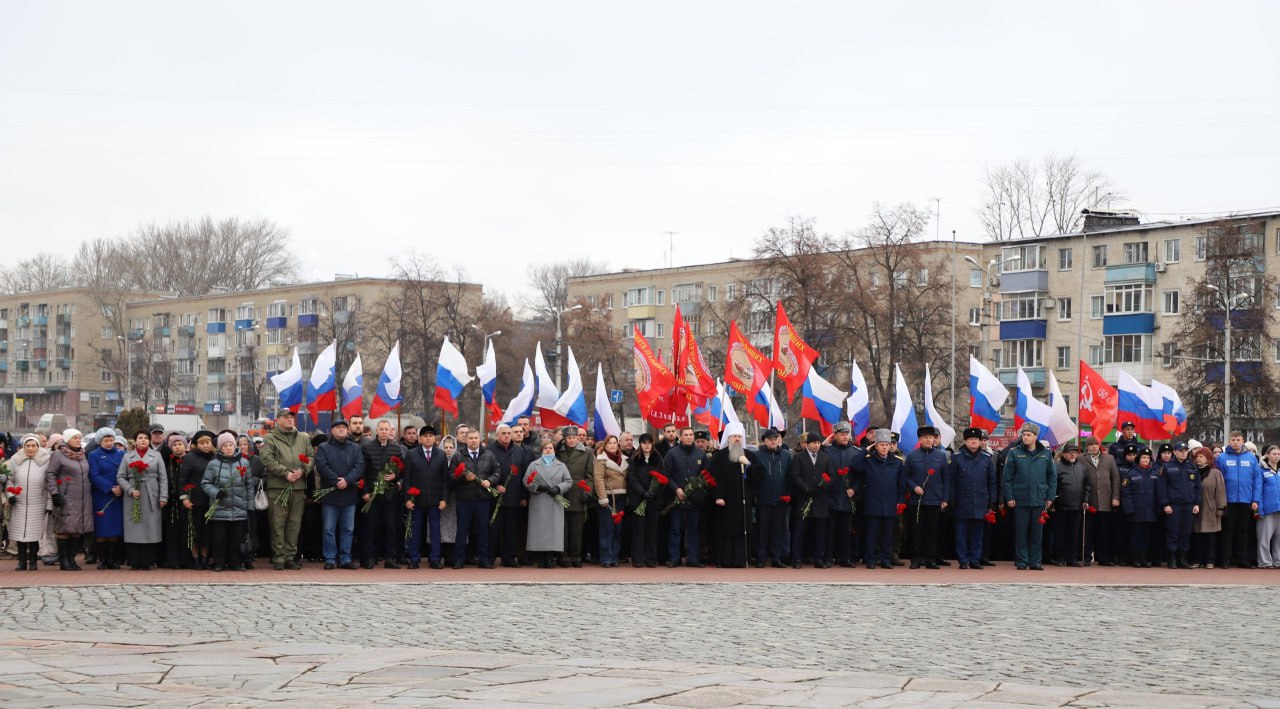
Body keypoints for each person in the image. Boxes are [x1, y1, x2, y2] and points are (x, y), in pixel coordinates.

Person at [260, 409, 315, 571]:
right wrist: (285, 473)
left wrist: (303, 470)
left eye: (292, 417)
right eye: (286, 417)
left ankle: (290, 557)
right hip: (278, 486)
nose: (290, 419)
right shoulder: (270, 438)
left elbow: (311, 457)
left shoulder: (303, 438)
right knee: (277, 522)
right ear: (278, 420)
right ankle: (279, 557)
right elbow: (266, 458)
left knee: (294, 524)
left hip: (298, 487)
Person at [1002, 423, 1056, 571]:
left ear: (1035, 436)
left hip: (1039, 498)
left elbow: (1052, 477)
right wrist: (1009, 497)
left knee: (1037, 533)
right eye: (1024, 435)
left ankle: (1035, 561)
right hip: (1020, 498)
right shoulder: (1014, 453)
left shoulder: (1045, 454)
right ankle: (1021, 561)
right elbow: (1007, 478)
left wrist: (1050, 497)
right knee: (1021, 532)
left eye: (1028, 435)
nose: (1025, 437)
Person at [314, 419, 363, 570]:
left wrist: (347, 480)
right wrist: (336, 481)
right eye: (338, 427)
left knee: (348, 529)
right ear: (332, 431)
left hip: (349, 494)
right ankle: (330, 558)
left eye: (344, 427)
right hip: (331, 495)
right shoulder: (323, 448)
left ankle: (345, 558)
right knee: (329, 529)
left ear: (348, 431)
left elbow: (359, 467)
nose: (341, 429)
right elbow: (322, 466)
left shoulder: (355, 448)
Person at [116, 430, 169, 570]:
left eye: (146, 438)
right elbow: (120, 476)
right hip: (134, 495)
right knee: (134, 526)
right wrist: (130, 489)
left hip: (152, 494)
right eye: (140, 438)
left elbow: (163, 478)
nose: (143, 440)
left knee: (151, 526)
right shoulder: (127, 456)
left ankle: (147, 561)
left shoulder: (156, 456)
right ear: (135, 441)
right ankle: (134, 561)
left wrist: (163, 496)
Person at [198, 433, 251, 571]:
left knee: (236, 538)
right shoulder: (213, 464)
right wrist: (216, 492)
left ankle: (235, 562)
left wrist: (250, 506)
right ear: (220, 448)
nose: (228, 448)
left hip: (239, 508)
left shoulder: (244, 463)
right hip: (219, 509)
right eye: (225, 446)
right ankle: (219, 562)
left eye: (231, 445)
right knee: (219, 539)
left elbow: (249, 485)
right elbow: (205, 483)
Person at [708, 423, 758, 568]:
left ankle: (741, 560)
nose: (737, 439)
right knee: (725, 529)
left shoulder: (749, 455)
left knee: (742, 529)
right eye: (734, 436)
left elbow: (759, 476)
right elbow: (712, 478)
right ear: (728, 438)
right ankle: (724, 560)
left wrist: (748, 464)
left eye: (739, 437)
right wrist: (717, 496)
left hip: (743, 499)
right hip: (725, 500)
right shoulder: (719, 457)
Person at [448, 429, 499, 569]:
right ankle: (459, 560)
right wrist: (463, 478)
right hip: (464, 499)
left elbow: (497, 472)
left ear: (480, 439)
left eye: (476, 438)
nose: (473, 440)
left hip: (483, 499)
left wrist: (490, 481)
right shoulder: (458, 456)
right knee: (462, 530)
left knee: (483, 531)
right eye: (470, 438)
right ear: (465, 440)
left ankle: (483, 559)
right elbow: (451, 475)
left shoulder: (489, 455)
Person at [946, 428, 996, 570]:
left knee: (977, 533)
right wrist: (951, 500)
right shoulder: (957, 458)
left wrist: (992, 501)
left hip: (980, 501)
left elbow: (992, 481)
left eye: (976, 439)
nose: (974, 441)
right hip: (961, 501)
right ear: (965, 441)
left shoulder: (986, 458)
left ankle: (975, 559)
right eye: (970, 439)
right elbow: (951, 481)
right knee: (961, 533)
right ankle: (963, 559)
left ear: (980, 442)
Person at [360, 420, 407, 569]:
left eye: (387, 429)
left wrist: (395, 476)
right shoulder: (367, 448)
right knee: (370, 528)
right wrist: (365, 492)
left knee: (391, 527)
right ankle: (369, 558)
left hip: (390, 495)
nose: (384, 432)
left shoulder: (396, 448)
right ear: (377, 430)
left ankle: (390, 558)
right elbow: (362, 472)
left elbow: (402, 469)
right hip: (372, 494)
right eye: (382, 429)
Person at [46, 428, 93, 571]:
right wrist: (55, 493)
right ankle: (64, 560)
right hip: (66, 496)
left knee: (78, 528)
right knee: (65, 528)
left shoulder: (82, 454)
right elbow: (51, 474)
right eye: (75, 438)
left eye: (79, 437)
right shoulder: (58, 454)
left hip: (83, 498)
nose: (78, 440)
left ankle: (72, 558)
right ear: (67, 440)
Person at [904, 425, 948, 569]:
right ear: (920, 440)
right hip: (916, 500)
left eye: (931, 437)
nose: (929, 440)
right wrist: (914, 487)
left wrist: (945, 498)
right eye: (926, 437)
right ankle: (916, 559)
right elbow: (906, 476)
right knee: (917, 531)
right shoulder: (912, 456)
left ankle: (930, 559)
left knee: (932, 531)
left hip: (934, 499)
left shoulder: (941, 456)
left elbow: (946, 478)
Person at [861, 429, 906, 569]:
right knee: (872, 535)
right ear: (876, 446)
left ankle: (886, 560)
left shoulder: (897, 462)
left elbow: (901, 484)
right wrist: (866, 450)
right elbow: (854, 465)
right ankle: (871, 559)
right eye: (881, 445)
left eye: (887, 445)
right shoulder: (868, 460)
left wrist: (900, 501)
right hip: (873, 502)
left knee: (888, 535)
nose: (885, 447)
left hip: (890, 503)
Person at [489, 424, 532, 568]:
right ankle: (490, 557)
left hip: (514, 497)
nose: (507, 435)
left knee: (511, 530)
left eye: (508, 433)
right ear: (497, 435)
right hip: (495, 497)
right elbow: (486, 471)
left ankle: (509, 558)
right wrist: (495, 485)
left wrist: (524, 496)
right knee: (494, 529)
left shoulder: (519, 451)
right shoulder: (490, 450)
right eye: (504, 433)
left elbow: (524, 474)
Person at [524, 438, 572, 568]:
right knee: (540, 531)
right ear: (542, 450)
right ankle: (541, 559)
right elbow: (526, 481)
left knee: (553, 531)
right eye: (545, 448)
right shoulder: (534, 465)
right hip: (539, 501)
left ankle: (550, 558)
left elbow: (568, 481)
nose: (548, 450)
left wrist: (558, 488)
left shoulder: (561, 465)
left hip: (555, 502)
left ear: (554, 450)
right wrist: (539, 487)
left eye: (550, 448)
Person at [663, 427, 707, 568]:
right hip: (677, 498)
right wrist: (676, 489)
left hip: (694, 499)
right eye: (686, 435)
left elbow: (706, 475)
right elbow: (666, 475)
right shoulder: (672, 454)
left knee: (693, 529)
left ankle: (692, 558)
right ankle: (674, 558)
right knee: (675, 529)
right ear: (680, 437)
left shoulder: (701, 454)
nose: (689, 437)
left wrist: (698, 490)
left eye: (691, 434)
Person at [788, 432, 833, 568]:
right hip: (804, 499)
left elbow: (832, 476)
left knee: (820, 532)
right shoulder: (799, 458)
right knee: (800, 531)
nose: (816, 445)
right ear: (807, 444)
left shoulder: (826, 458)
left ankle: (819, 558)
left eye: (818, 443)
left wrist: (822, 488)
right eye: (814, 443)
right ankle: (796, 558)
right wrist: (807, 489)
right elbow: (795, 476)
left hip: (820, 500)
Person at [404, 426, 448, 569]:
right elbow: (407, 478)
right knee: (416, 530)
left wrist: (444, 499)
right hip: (416, 500)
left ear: (435, 439)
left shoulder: (441, 455)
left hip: (435, 500)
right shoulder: (411, 454)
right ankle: (414, 558)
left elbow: (445, 480)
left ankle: (435, 558)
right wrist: (408, 498)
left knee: (435, 530)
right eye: (425, 436)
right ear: (420, 438)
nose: (428, 438)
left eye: (431, 436)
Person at [1216, 432, 1261, 568]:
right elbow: (1218, 479)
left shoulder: (1251, 458)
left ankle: (1242, 559)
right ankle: (1225, 559)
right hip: (1228, 500)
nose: (1235, 442)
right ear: (1229, 441)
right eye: (1233, 440)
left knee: (1243, 531)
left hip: (1245, 499)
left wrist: (1255, 499)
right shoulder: (1222, 458)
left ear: (1243, 441)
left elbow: (1257, 480)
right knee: (1227, 530)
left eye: (1238, 440)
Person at [6, 434, 50, 571]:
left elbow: (50, 482)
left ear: (38, 446)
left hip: (38, 501)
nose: (30, 448)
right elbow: (9, 480)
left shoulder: (46, 460)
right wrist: (10, 495)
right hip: (19, 502)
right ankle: (21, 561)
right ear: (23, 447)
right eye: (28, 446)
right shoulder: (15, 460)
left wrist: (49, 503)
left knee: (34, 534)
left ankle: (33, 561)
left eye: (33, 446)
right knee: (19, 533)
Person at [750, 428, 792, 568]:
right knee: (762, 530)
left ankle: (776, 557)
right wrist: (756, 496)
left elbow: (789, 476)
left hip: (781, 499)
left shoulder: (786, 455)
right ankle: (761, 557)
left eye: (775, 439)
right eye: (770, 439)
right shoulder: (757, 455)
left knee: (778, 530)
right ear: (765, 441)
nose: (773, 442)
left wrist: (788, 494)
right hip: (763, 498)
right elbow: (754, 478)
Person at [555, 426, 594, 568]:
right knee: (562, 528)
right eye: (568, 438)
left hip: (578, 494)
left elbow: (590, 476)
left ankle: (576, 556)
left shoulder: (587, 452)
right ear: (564, 439)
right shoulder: (558, 451)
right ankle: (563, 556)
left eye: (574, 437)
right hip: (561, 493)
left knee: (577, 529)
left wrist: (587, 493)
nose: (572, 440)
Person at [1158, 443, 1201, 569]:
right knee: (1173, 532)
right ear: (1175, 452)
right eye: (1180, 450)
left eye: (1185, 450)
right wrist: (1165, 504)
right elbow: (1162, 487)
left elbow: (1198, 487)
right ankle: (1172, 559)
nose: (1183, 453)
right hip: (1174, 505)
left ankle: (1183, 559)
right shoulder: (1167, 466)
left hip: (1188, 504)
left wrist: (1197, 503)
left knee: (1185, 533)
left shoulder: (1192, 466)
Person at [87, 428, 125, 569]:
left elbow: (126, 472)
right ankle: (102, 559)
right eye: (106, 440)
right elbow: (94, 475)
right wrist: (109, 488)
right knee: (102, 528)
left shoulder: (121, 454)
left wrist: (121, 487)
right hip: (102, 495)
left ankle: (111, 559)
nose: (109, 443)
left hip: (118, 495)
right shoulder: (94, 455)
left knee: (115, 528)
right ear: (99, 441)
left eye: (111, 440)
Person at [1081, 436, 1121, 566]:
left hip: (1105, 501)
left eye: (1096, 444)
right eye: (1091, 444)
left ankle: (1103, 558)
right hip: (1089, 501)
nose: (1094, 447)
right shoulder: (1081, 458)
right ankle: (1086, 557)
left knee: (1104, 532)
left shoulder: (1109, 458)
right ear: (1087, 446)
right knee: (1088, 532)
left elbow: (1115, 479)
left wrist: (1115, 497)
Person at [179, 431, 216, 569]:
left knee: (207, 532)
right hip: (194, 500)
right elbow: (182, 478)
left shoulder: (215, 457)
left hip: (210, 500)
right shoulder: (190, 457)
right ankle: (195, 558)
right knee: (194, 531)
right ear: (196, 444)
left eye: (208, 442)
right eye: (202, 443)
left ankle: (205, 558)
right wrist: (184, 498)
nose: (206, 445)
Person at [626, 433, 665, 568]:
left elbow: (662, 477)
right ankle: (638, 559)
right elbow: (632, 478)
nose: (647, 445)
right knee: (638, 531)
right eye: (644, 443)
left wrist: (654, 491)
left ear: (652, 443)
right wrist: (643, 492)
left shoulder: (658, 458)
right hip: (638, 500)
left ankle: (651, 558)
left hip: (654, 501)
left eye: (649, 442)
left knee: (652, 531)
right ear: (640, 444)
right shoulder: (635, 459)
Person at [592, 434, 628, 568]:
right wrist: (602, 497)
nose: (612, 445)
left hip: (621, 497)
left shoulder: (625, 460)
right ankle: (606, 558)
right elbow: (598, 479)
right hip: (607, 497)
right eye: (609, 443)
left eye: (614, 443)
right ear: (605, 445)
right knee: (607, 529)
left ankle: (615, 557)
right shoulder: (601, 460)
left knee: (618, 529)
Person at [1052, 442, 1090, 567]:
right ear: (1064, 454)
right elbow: (1053, 485)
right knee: (1060, 533)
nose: (1073, 454)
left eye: (1075, 452)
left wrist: (1086, 499)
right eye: (1070, 452)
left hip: (1077, 506)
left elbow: (1087, 485)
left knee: (1074, 534)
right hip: (1061, 506)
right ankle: (1060, 557)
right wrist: (1054, 500)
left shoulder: (1082, 467)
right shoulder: (1057, 467)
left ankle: (1072, 558)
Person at [1190, 447, 1226, 568]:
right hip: (1196, 508)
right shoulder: (1193, 471)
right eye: (1197, 457)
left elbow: (1220, 491)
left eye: (1201, 456)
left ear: (1208, 458)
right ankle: (1197, 559)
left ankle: (1210, 560)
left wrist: (1220, 508)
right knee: (1197, 535)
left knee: (1210, 536)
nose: (1198, 459)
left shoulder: (1215, 473)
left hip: (1211, 508)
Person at [1254, 444, 1280, 568]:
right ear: (1268, 455)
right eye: (1274, 454)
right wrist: (1259, 508)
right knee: (1264, 538)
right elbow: (1258, 490)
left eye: (1278, 454)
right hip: (1267, 509)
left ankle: (1278, 561)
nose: (1277, 456)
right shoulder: (1261, 470)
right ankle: (1265, 562)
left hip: (1279, 509)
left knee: (1279, 538)